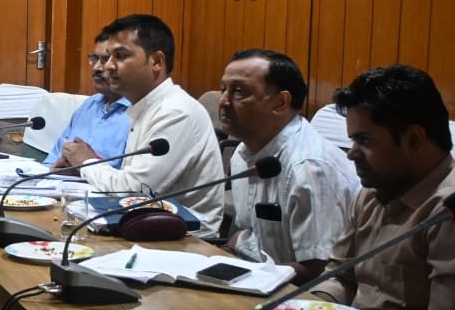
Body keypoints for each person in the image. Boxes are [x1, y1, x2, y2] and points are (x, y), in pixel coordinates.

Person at [307, 65, 455, 310]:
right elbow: (340, 277)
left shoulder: (448, 210)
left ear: (414, 140)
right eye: (352, 140)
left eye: (364, 140)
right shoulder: (373, 191)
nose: (351, 154)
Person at [59, 14, 224, 235]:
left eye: (120, 56)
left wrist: (86, 162)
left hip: (186, 238)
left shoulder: (175, 112)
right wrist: (82, 168)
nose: (108, 66)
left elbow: (133, 192)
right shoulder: (145, 106)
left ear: (156, 62)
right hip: (146, 225)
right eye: (108, 57)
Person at [218, 49, 358, 284]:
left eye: (239, 91)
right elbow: (247, 232)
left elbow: (319, 269)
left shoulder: (310, 168)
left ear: (280, 102)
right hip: (257, 279)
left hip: (299, 295)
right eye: (223, 89)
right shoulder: (243, 153)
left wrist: (244, 276)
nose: (223, 101)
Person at [44, 33, 131, 169]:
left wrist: (87, 165)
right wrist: (53, 169)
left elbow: (131, 179)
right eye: (95, 59)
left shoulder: (138, 114)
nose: (97, 67)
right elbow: (53, 159)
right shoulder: (88, 106)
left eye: (105, 60)